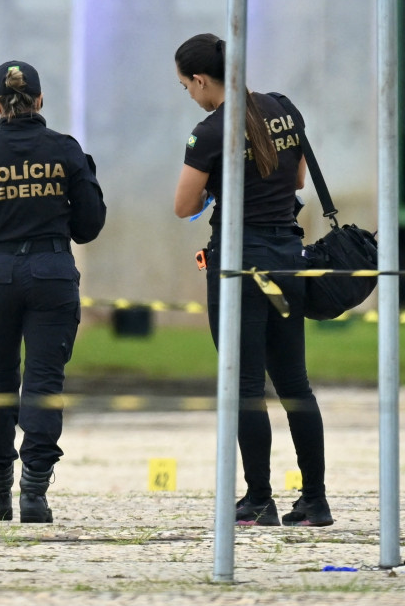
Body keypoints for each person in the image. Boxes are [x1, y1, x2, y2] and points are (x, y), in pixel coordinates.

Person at [173, 33, 331, 528]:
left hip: (239, 263)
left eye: (186, 87)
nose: (190, 95)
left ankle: (259, 498)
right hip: (287, 254)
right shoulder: (283, 108)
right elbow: (300, 180)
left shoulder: (209, 131)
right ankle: (315, 501)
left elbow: (183, 206)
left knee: (244, 386)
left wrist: (213, 195)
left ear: (201, 79)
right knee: (295, 385)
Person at [0, 60, 105, 523]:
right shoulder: (66, 150)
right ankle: (35, 492)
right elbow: (90, 224)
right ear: (39, 100)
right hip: (52, 272)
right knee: (43, 382)